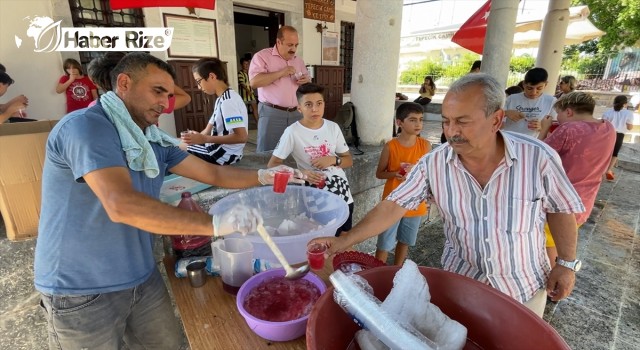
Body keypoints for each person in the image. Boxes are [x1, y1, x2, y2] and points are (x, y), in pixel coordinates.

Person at [34, 52, 304, 350]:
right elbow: (121, 204)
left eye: (170, 93)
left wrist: (265, 175)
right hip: (80, 289)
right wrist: (216, 224)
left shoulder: (151, 140)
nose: (166, 102)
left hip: (140, 277)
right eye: (157, 91)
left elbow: (212, 173)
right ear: (123, 83)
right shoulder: (86, 127)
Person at [311, 73, 585, 318]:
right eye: (446, 122)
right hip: (460, 285)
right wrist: (344, 239)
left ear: (496, 120)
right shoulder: (434, 164)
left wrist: (566, 263)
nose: (452, 132)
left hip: (523, 288)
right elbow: (393, 205)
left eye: (463, 122)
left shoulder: (538, 158)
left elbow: (561, 209)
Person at [538, 92, 616, 267]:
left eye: (559, 113)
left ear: (569, 112)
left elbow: (537, 153)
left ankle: (549, 285)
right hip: (585, 201)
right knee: (561, 242)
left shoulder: (569, 129)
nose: (558, 118)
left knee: (548, 245)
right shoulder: (608, 127)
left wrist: (544, 128)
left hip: (560, 203)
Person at [267, 83, 354, 237]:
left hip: (344, 194)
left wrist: (333, 159)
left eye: (319, 103)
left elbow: (348, 160)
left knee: (344, 238)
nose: (315, 109)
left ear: (324, 105)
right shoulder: (292, 132)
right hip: (316, 197)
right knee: (323, 241)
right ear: (299, 108)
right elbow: (272, 165)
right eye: (308, 104)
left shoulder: (333, 127)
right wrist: (301, 173)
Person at [375, 102, 431, 265]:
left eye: (421, 120)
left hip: (414, 204)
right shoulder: (390, 146)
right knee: (384, 243)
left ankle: (397, 272)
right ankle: (378, 273)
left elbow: (428, 173)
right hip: (392, 202)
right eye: (413, 120)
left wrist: (416, 172)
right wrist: (395, 174)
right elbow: (379, 173)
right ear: (399, 123)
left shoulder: (425, 145)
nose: (418, 124)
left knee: (405, 241)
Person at [249, 26, 311, 152]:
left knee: (296, 150)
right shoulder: (262, 56)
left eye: (296, 45)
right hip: (272, 113)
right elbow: (254, 82)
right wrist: (280, 73)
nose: (293, 49)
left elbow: (307, 79)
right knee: (268, 152)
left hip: (296, 113)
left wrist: (306, 80)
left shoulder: (298, 61)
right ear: (278, 42)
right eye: (289, 45)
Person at [180, 57, 248, 166]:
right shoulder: (222, 99)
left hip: (223, 155)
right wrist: (196, 137)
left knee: (173, 148)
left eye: (199, 81)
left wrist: (203, 139)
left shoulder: (228, 101)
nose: (198, 87)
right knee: (178, 142)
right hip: (219, 150)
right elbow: (207, 131)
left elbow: (241, 137)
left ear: (212, 76)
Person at [87, 52, 191, 113]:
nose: (165, 104)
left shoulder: (94, 109)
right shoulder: (147, 102)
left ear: (96, 83)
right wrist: (162, 78)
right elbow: (185, 98)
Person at [502, 67, 557, 138]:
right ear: (524, 84)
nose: (534, 92)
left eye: (539, 88)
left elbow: (555, 127)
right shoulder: (512, 99)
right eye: (530, 88)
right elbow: (493, 116)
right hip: (510, 140)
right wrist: (506, 113)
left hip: (534, 143)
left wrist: (542, 127)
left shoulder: (551, 101)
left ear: (545, 85)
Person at [602, 95, 634, 181]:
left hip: (608, 133)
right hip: (619, 135)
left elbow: (603, 125)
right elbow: (629, 127)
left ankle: (601, 168)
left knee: (607, 151)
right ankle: (608, 170)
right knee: (615, 153)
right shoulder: (628, 113)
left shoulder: (608, 112)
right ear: (625, 104)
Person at [238, 56, 258, 122]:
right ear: (241, 64)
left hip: (251, 95)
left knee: (255, 109)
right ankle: (244, 126)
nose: (246, 65)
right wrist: (248, 91)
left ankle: (258, 124)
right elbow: (242, 84)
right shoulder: (240, 73)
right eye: (245, 64)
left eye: (247, 64)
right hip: (243, 96)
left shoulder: (250, 73)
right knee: (244, 111)